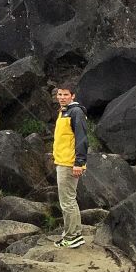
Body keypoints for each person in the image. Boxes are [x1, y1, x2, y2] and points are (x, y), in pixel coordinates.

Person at [52, 84, 87, 248]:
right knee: (68, 200)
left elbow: (82, 138)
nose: (62, 97)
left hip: (69, 163)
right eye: (59, 94)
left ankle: (72, 236)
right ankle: (74, 234)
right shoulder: (63, 112)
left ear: (72, 96)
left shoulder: (75, 112)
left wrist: (79, 163)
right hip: (62, 161)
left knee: (67, 202)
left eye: (65, 94)